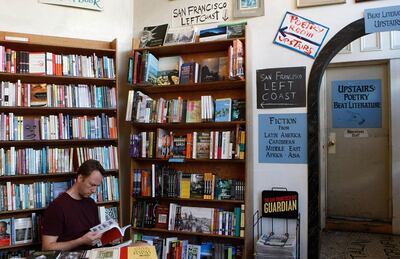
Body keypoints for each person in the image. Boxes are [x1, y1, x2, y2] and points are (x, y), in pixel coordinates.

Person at [42, 159, 105, 251]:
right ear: (80, 178)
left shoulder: (91, 203)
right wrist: (81, 241)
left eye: (97, 186)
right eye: (92, 184)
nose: (94, 190)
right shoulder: (57, 207)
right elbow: (47, 247)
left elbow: (95, 235)